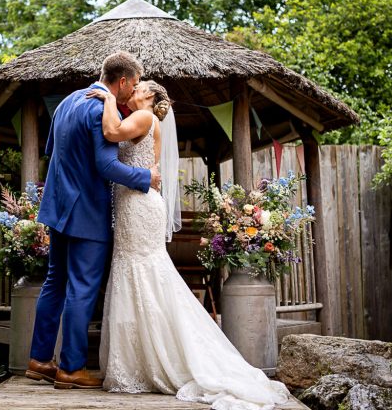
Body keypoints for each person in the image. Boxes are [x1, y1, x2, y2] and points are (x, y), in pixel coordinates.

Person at [87, 81, 291, 410]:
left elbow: (111, 133)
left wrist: (109, 97)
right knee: (139, 275)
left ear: (152, 99)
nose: (135, 89)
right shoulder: (144, 120)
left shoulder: (143, 118)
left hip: (139, 207)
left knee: (143, 275)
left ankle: (155, 360)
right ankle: (138, 361)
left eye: (140, 88)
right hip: (134, 206)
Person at [25, 51, 162, 390]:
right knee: (81, 289)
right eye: (133, 87)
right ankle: (71, 368)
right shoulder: (101, 109)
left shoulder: (66, 103)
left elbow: (53, 152)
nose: (133, 94)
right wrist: (147, 177)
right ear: (123, 81)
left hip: (57, 206)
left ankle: (40, 360)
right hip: (87, 210)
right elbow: (106, 167)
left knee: (54, 282)